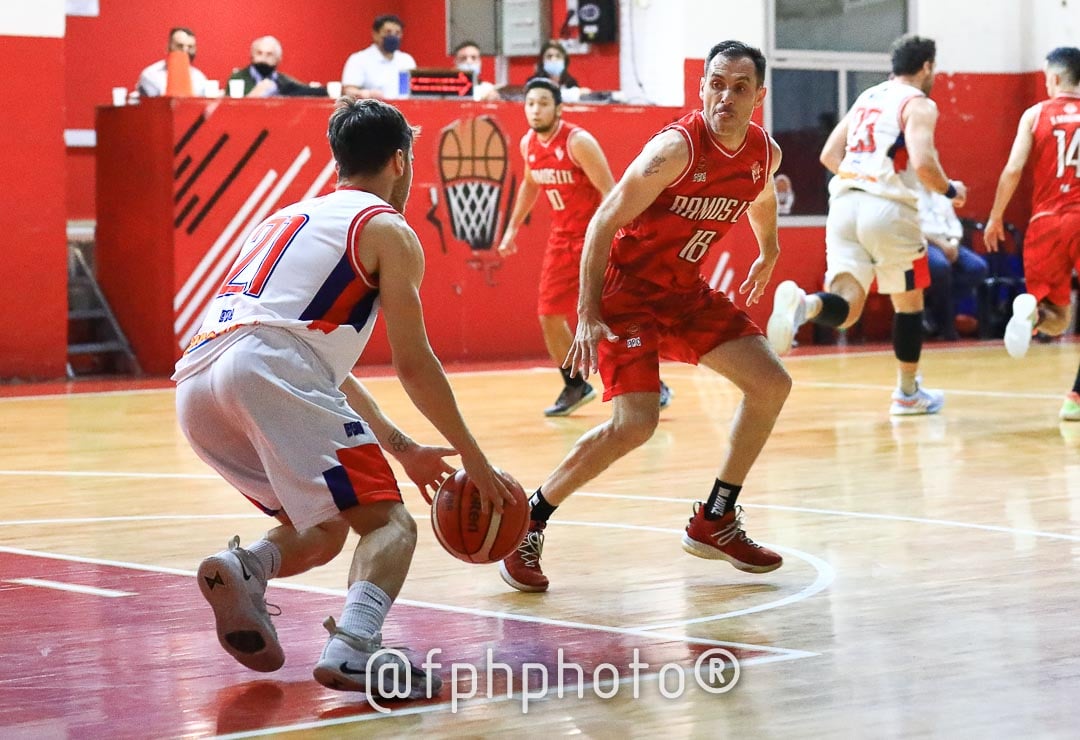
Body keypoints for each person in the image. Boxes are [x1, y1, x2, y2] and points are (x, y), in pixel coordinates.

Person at [173, 98, 514, 698]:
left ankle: (247, 567)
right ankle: (355, 649)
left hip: (198, 380)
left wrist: (400, 446)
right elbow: (415, 365)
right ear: (401, 162)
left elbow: (315, 357)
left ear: (339, 160)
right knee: (389, 523)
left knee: (324, 527)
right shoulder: (388, 229)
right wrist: (476, 458)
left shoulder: (286, 217)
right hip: (269, 368)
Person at [499, 40, 791, 593]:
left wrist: (769, 249)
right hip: (627, 291)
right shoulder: (675, 150)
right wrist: (587, 312)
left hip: (684, 292)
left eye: (739, 87)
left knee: (771, 383)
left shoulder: (764, 154)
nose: (724, 97)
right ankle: (529, 521)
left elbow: (762, 200)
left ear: (759, 96)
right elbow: (602, 223)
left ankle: (716, 518)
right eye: (716, 84)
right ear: (701, 86)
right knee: (636, 424)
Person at [767, 34, 967, 416]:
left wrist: (861, 178)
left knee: (848, 304)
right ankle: (908, 394)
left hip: (843, 204)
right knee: (908, 304)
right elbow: (924, 163)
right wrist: (950, 190)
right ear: (926, 67)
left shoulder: (867, 97)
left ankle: (806, 307)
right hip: (888, 208)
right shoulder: (919, 103)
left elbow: (829, 154)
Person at [497, 78, 672, 417]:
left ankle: (652, 383)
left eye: (543, 103)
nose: (535, 109)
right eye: (530, 103)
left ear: (559, 108)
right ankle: (576, 384)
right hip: (561, 240)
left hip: (594, 239)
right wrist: (511, 230)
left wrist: (621, 238)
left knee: (611, 318)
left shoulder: (579, 142)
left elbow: (611, 193)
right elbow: (530, 186)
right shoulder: (528, 144)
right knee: (549, 316)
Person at [985, 46, 1080, 422]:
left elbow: (1012, 170)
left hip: (1045, 221)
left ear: (1054, 78)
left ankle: (1032, 316)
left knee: (1057, 317)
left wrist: (995, 217)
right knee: (1067, 319)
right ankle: (1075, 398)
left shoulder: (1035, 114)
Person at [918, 185, 988, 340]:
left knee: (977, 268)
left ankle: (931, 304)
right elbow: (913, 228)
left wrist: (954, 244)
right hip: (925, 243)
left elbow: (954, 224)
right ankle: (946, 326)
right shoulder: (909, 189)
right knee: (940, 267)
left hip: (950, 242)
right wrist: (942, 245)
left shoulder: (942, 189)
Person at [341, 14, 417, 100]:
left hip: (404, 109)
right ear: (375, 34)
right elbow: (348, 91)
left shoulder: (407, 60)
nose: (393, 36)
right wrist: (367, 94)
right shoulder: (359, 59)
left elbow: (413, 91)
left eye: (397, 33)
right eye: (388, 32)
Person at [228, 36, 326, 98]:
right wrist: (253, 96)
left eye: (269, 54)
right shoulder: (237, 79)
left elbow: (303, 90)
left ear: (278, 59)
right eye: (259, 53)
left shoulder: (284, 81)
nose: (263, 58)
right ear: (252, 55)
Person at [134, 27, 209, 99]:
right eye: (180, 46)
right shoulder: (150, 75)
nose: (185, 50)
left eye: (190, 47)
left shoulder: (200, 78)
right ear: (168, 47)